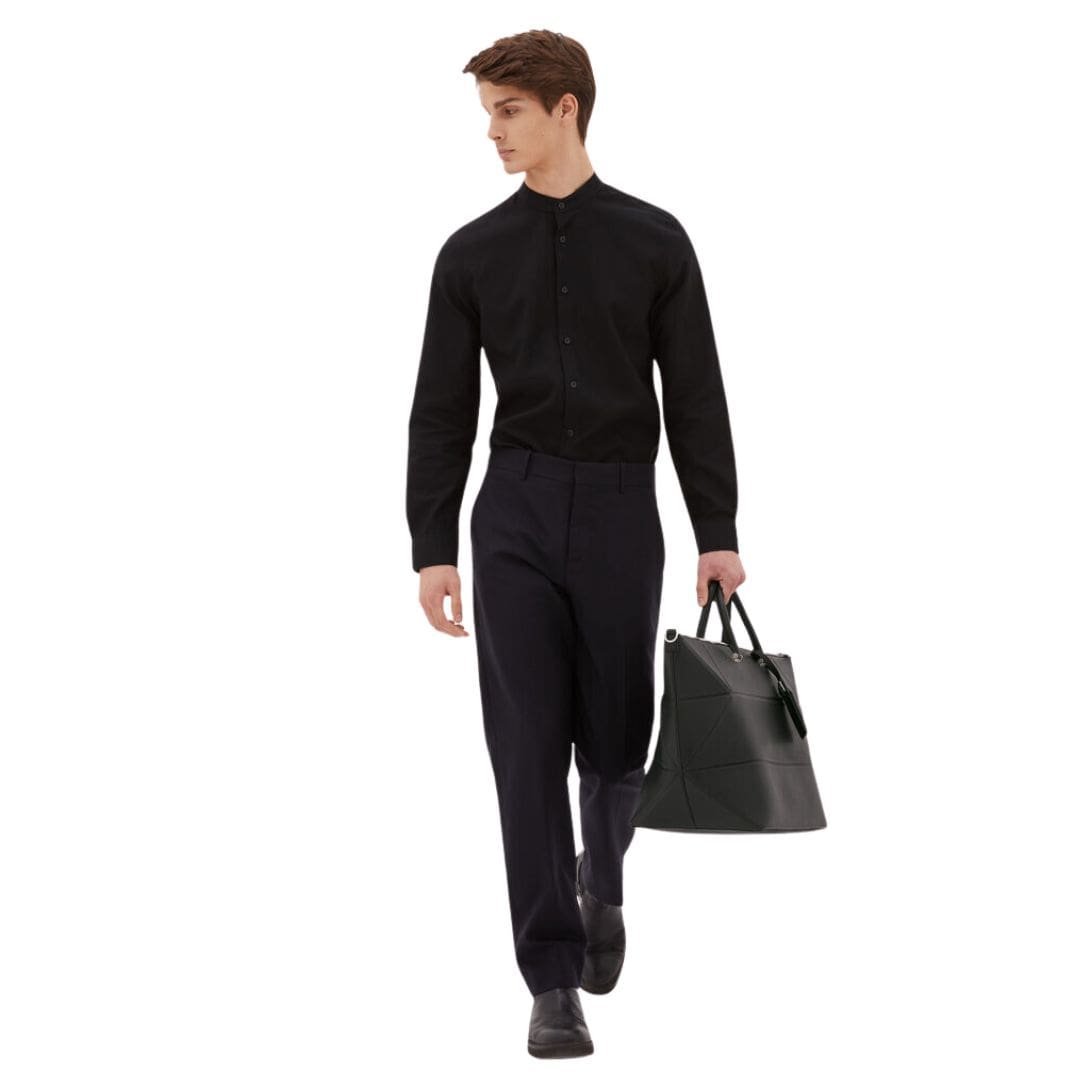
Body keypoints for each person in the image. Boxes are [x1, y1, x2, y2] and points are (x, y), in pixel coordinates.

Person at [405, 29, 745, 1059]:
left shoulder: (654, 241)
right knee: (523, 751)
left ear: (566, 108)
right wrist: (433, 545)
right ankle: (552, 981)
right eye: (487, 114)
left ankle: (605, 879)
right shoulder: (469, 254)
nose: (493, 133)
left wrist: (717, 532)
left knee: (616, 737)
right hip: (511, 511)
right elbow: (440, 412)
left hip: (618, 510)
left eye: (508, 111)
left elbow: (694, 395)